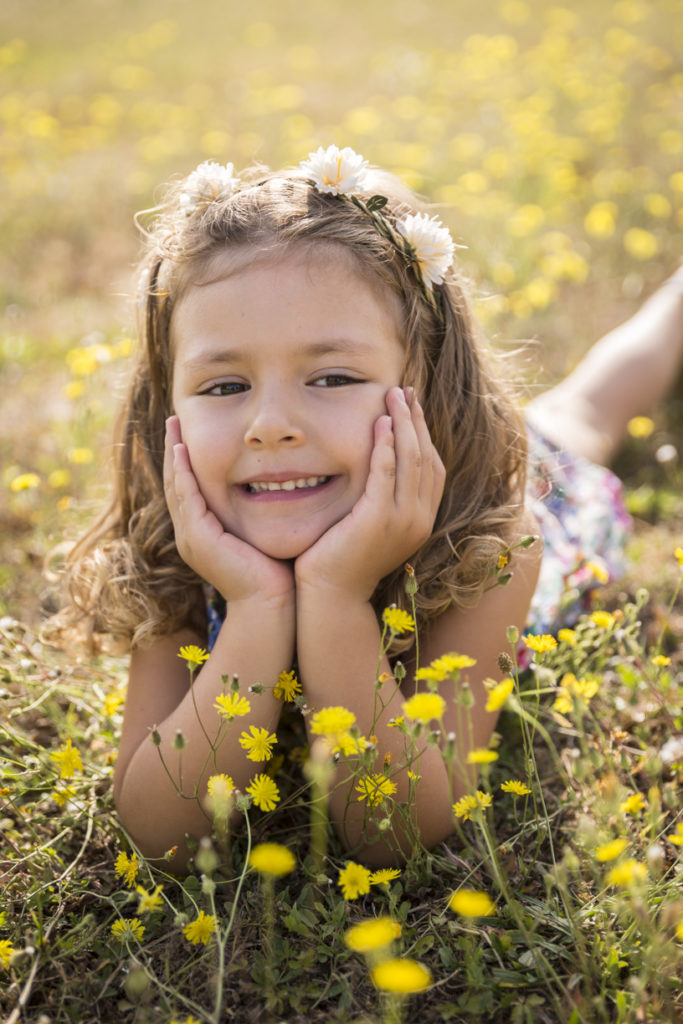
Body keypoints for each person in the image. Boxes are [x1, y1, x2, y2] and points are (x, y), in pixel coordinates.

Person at [56, 146, 683, 870]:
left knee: (587, 409)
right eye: (224, 387)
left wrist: (333, 597)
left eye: (331, 377)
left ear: (426, 382)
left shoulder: (496, 542)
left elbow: (395, 833)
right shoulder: (175, 543)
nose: (271, 425)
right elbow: (157, 835)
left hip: (532, 481)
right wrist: (256, 605)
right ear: (166, 406)